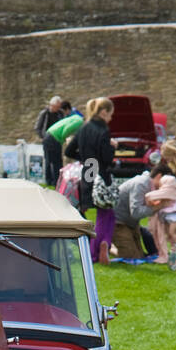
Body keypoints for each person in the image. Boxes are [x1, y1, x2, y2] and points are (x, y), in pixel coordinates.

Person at [64, 96, 117, 264]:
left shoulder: (84, 127)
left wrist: (86, 158)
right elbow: (106, 157)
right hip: (101, 171)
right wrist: (112, 146)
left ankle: (93, 246)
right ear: (103, 112)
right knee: (106, 212)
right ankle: (98, 248)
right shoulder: (103, 130)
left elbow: (69, 151)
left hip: (88, 170)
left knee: (87, 209)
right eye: (110, 114)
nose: (111, 118)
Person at [112, 171, 158, 258]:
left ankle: (116, 245)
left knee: (140, 256)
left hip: (132, 224)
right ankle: (109, 247)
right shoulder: (141, 184)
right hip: (118, 223)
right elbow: (136, 212)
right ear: (159, 176)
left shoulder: (149, 184)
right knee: (131, 257)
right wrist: (156, 208)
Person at [145, 163, 176, 262]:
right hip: (169, 214)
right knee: (169, 233)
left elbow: (154, 195)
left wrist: (149, 197)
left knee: (172, 232)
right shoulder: (166, 192)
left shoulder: (170, 189)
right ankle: (174, 250)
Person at [43, 106, 83, 188]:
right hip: (54, 138)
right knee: (57, 162)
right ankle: (57, 183)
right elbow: (66, 130)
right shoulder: (79, 121)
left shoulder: (76, 118)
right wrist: (65, 139)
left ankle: (50, 182)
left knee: (49, 160)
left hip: (49, 135)